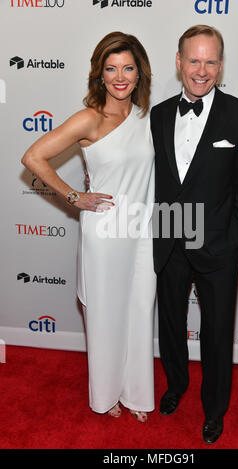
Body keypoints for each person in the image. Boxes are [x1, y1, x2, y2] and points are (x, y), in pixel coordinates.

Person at [22, 32, 156, 423]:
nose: (120, 77)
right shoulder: (89, 118)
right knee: (105, 316)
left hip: (143, 230)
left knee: (138, 312)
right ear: (99, 74)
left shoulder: (149, 116)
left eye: (128, 68)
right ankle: (106, 395)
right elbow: (33, 156)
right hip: (105, 232)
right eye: (110, 68)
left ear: (139, 73)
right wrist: (73, 196)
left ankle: (136, 393)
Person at [150, 25, 238, 443]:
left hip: (216, 245)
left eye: (210, 61)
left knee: (216, 334)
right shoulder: (159, 115)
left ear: (220, 64)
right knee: (171, 326)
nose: (201, 70)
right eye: (193, 60)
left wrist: (234, 238)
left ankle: (215, 409)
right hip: (169, 240)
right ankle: (176, 386)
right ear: (178, 62)